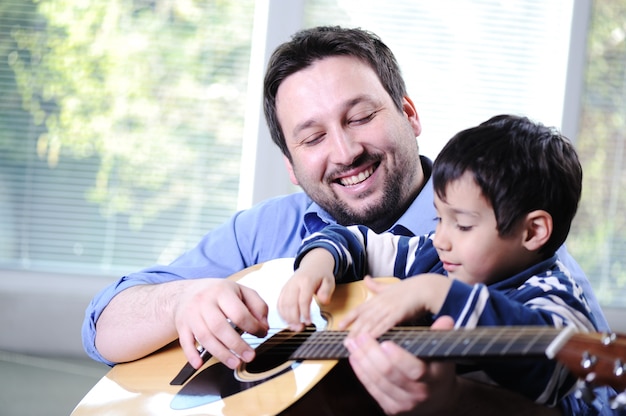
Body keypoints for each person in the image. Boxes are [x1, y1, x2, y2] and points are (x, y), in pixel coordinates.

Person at [82, 26, 610, 415]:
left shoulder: (512, 247)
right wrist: (182, 301)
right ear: (290, 166)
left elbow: (586, 399)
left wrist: (456, 401)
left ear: (409, 115)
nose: (345, 149)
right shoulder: (264, 231)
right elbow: (101, 327)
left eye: (360, 117)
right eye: (312, 138)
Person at [277, 114, 598, 412]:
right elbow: (356, 241)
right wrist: (315, 265)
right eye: (438, 218)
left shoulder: (556, 296)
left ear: (533, 231)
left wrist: (439, 293)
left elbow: (554, 366)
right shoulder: (434, 255)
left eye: (462, 225)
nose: (440, 238)